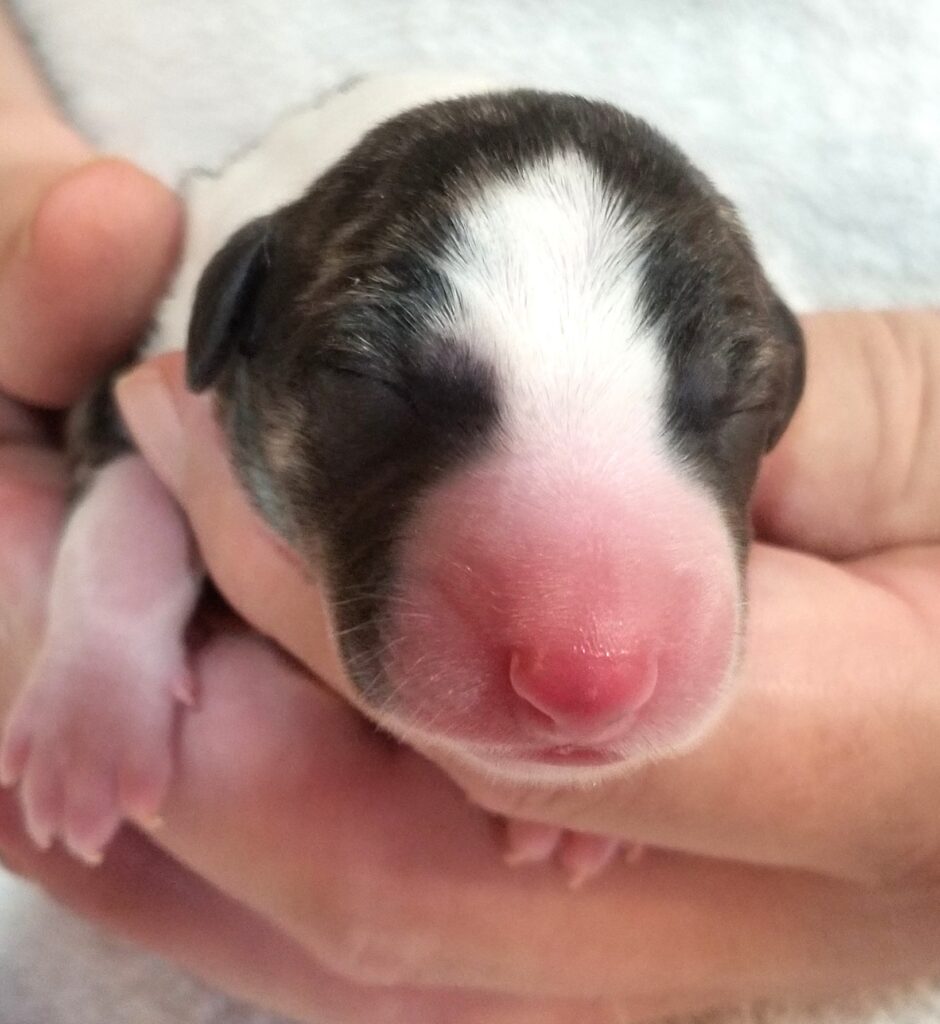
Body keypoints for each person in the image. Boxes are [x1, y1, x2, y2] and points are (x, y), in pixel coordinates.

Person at [2, 7, 940, 1022]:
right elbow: (135, 431)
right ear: (235, 329)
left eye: (726, 411)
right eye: (375, 392)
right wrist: (105, 638)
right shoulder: (237, 277)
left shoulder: (759, 308)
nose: (591, 673)